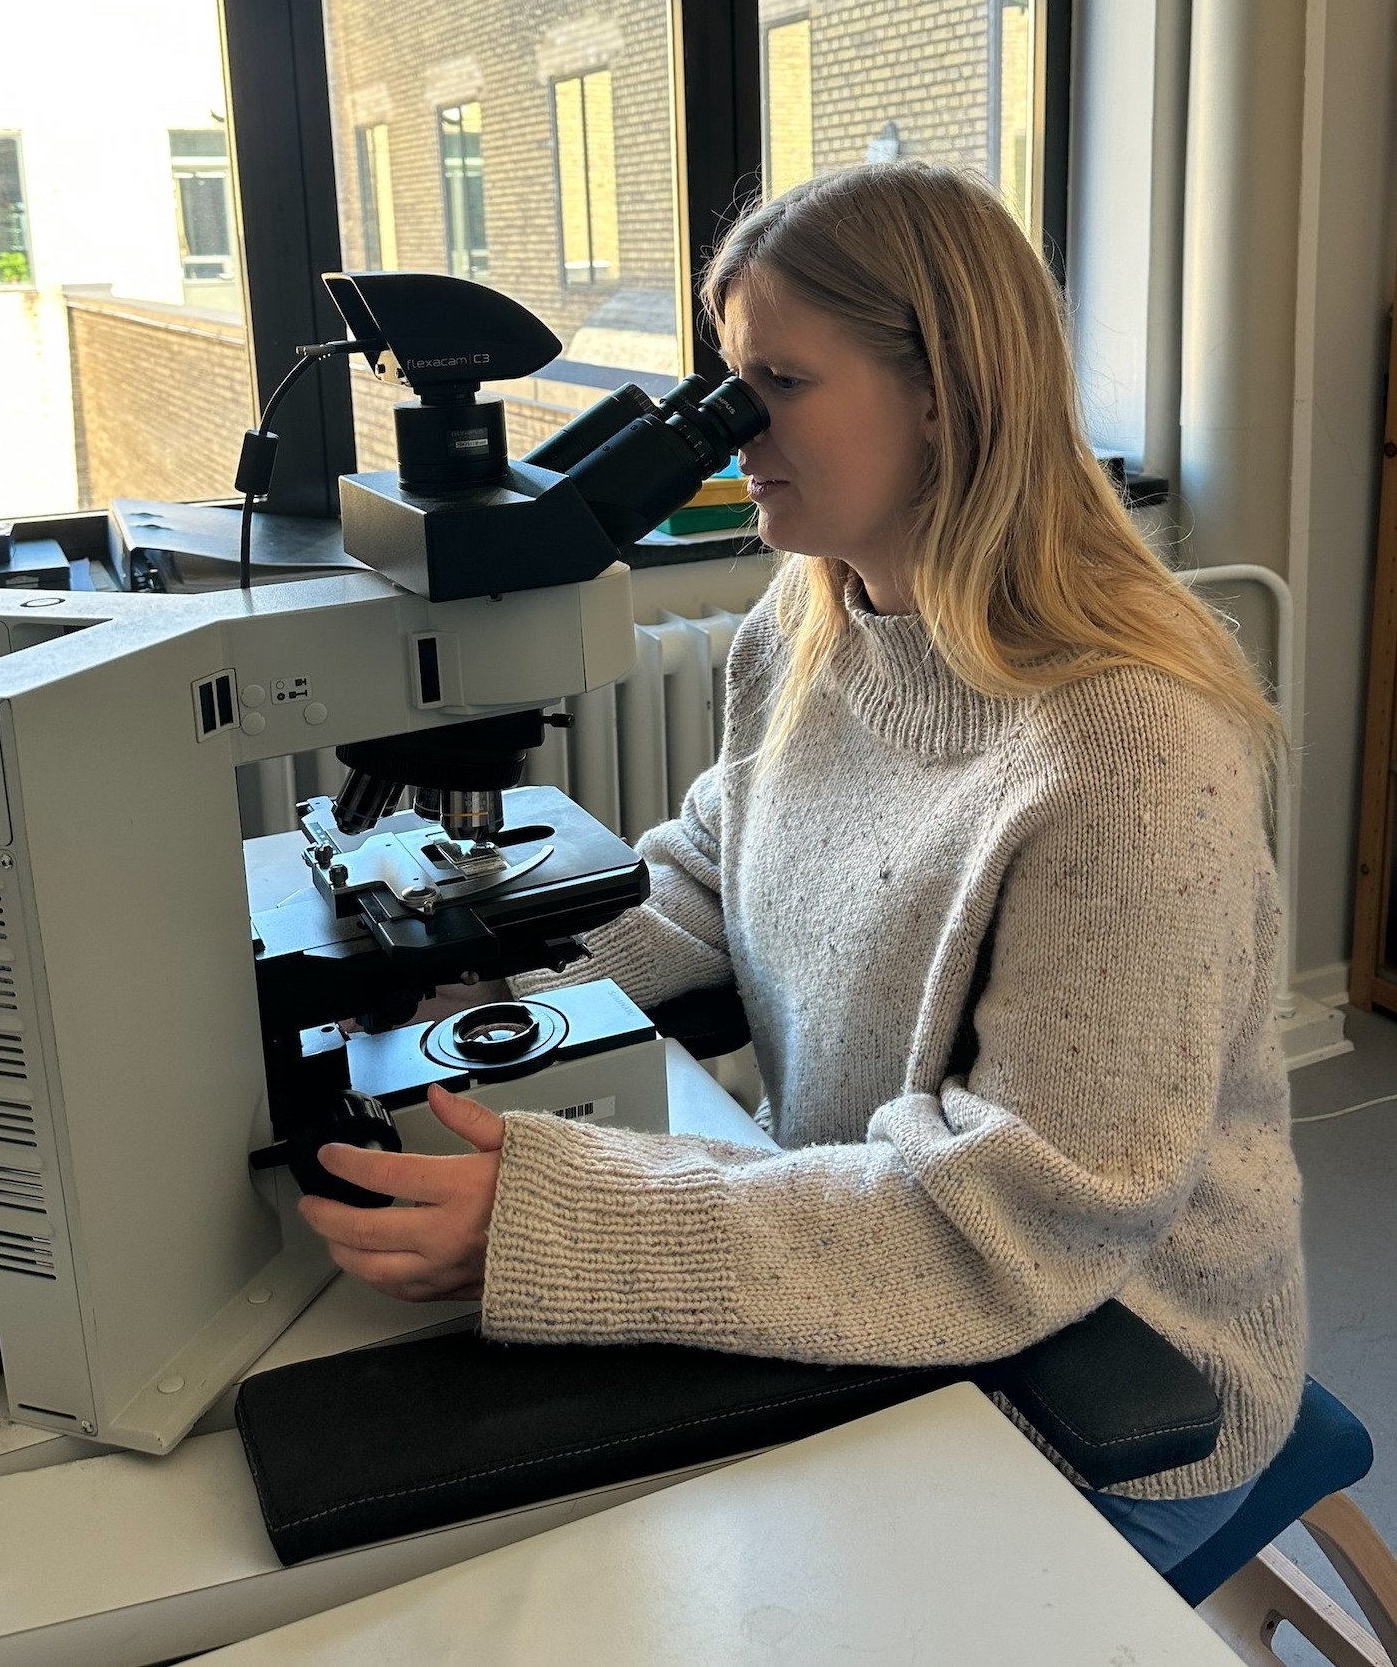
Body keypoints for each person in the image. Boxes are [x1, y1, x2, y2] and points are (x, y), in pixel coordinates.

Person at [299, 162, 1306, 1575]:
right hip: (870, 1246)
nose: (731, 435)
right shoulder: (814, 615)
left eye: (776, 380)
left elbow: (1023, 1220)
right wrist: (480, 999)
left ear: (946, 392)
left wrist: (572, 1228)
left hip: (1118, 1378)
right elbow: (712, 873)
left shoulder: (1130, 754)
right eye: (724, 380)